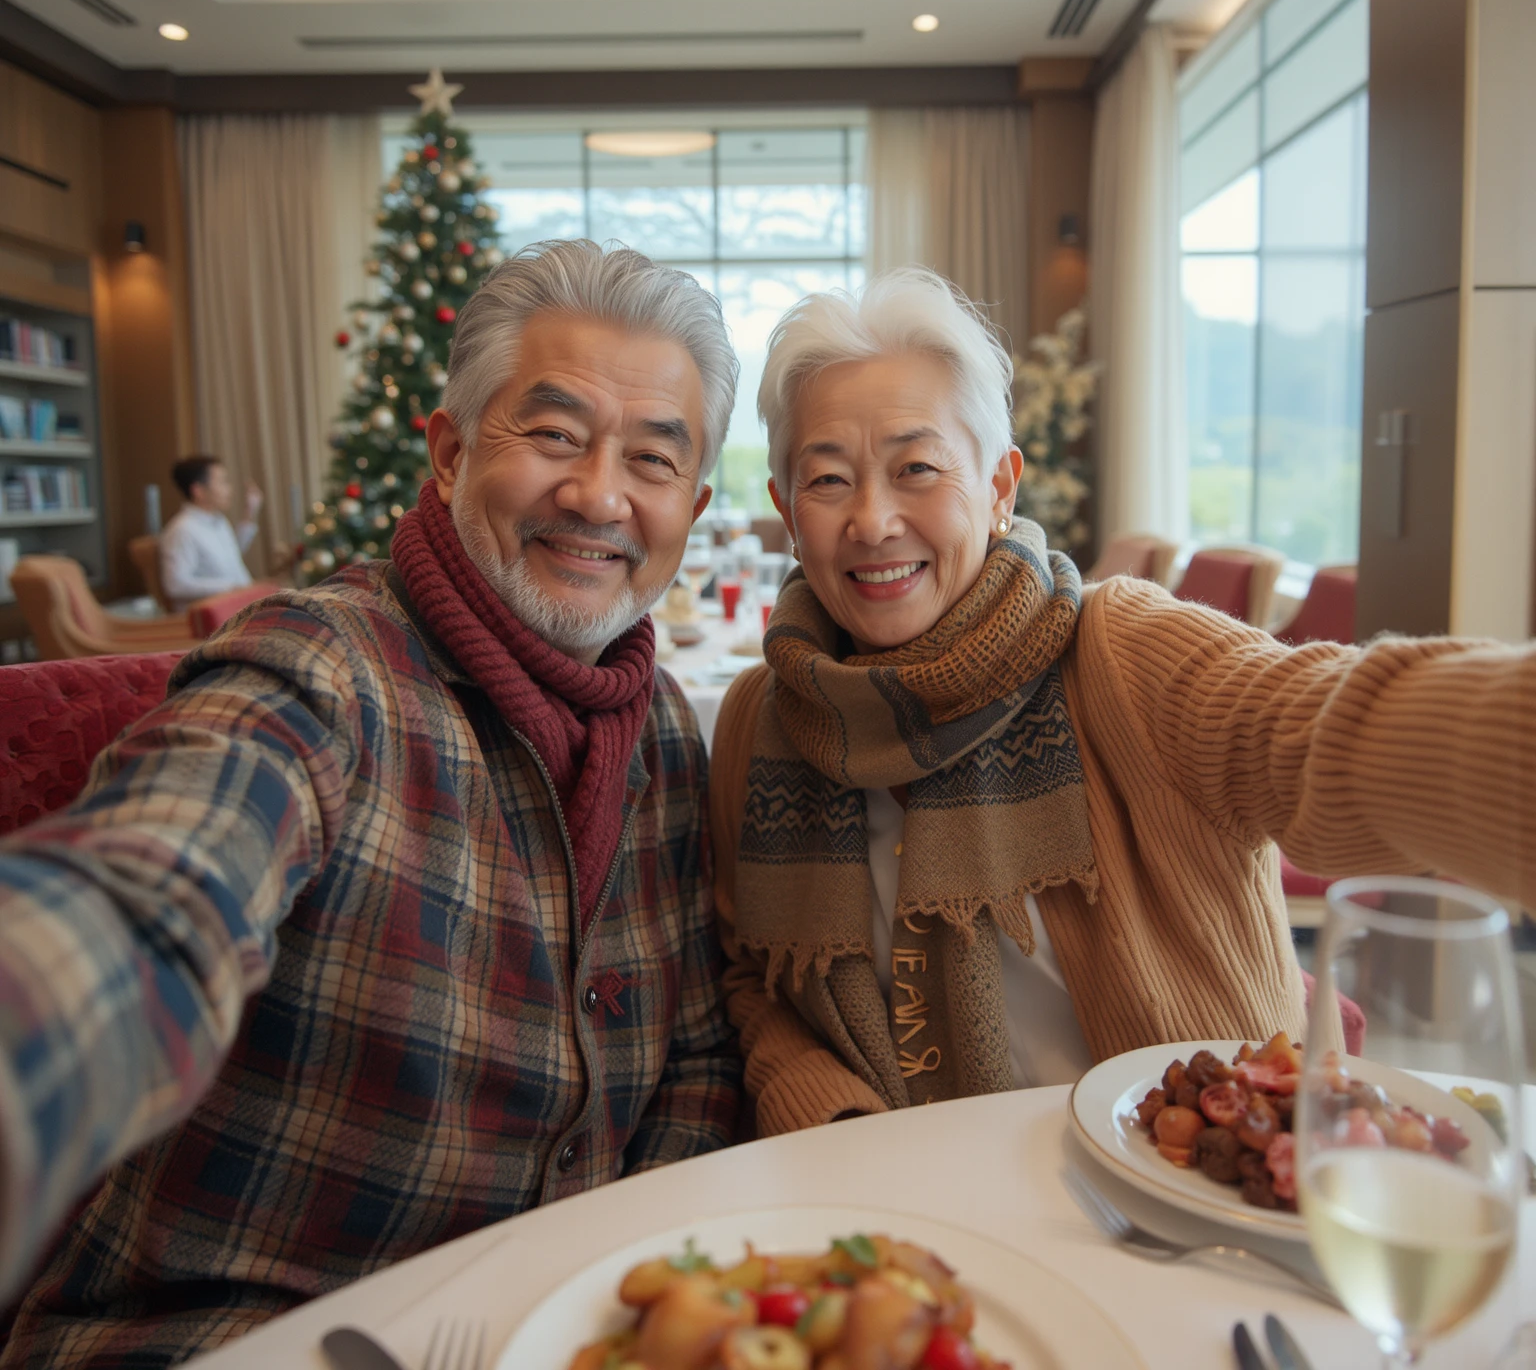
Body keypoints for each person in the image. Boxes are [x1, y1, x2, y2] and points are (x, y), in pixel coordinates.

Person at [0, 241, 742, 1365]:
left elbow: (693, 1060)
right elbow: (156, 895)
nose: (600, 495)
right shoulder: (319, 668)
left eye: (652, 458)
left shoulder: (669, 733)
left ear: (690, 501)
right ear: (447, 453)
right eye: (552, 434)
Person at [710, 268, 1536, 1132]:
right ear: (785, 511)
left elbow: (1325, 731)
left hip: (1191, 1196)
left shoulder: (1119, 654)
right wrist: (834, 1116)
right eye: (829, 479)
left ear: (999, 486)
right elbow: (750, 975)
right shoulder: (759, 722)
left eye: (917, 467)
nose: (873, 520)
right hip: (912, 1219)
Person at [159, 454, 265, 606]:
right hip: (221, 618)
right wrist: (231, 587)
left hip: (242, 606)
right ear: (198, 491)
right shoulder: (182, 530)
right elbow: (175, 585)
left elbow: (231, 554)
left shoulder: (219, 521)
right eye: (222, 482)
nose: (229, 489)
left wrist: (250, 513)